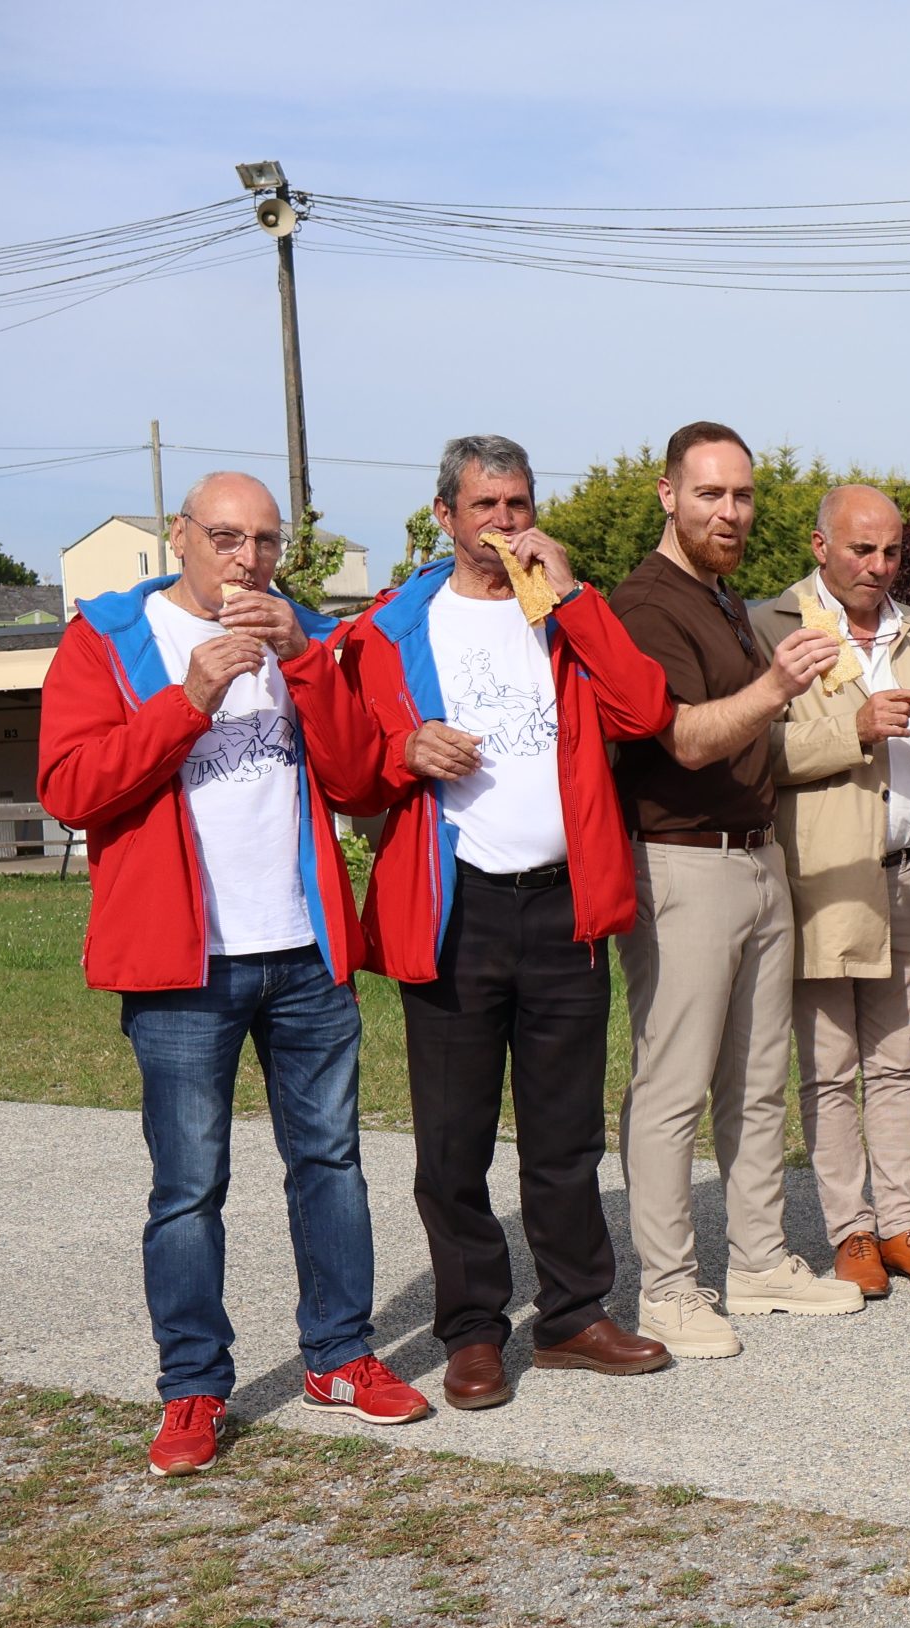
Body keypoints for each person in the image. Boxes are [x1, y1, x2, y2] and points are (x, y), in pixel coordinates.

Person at [38, 470, 428, 1473]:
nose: (248, 559)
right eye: (226, 537)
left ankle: (339, 1357)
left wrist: (307, 667)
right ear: (180, 537)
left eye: (265, 542)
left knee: (330, 1164)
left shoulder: (304, 637)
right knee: (187, 1187)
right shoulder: (109, 640)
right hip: (182, 967)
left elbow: (362, 778)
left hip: (303, 950)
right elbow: (73, 789)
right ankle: (194, 1388)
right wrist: (188, 701)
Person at [344, 436, 680, 1409]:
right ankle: (475, 1333)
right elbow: (351, 766)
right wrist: (406, 747)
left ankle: (574, 1315)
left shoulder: (565, 611)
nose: (504, 522)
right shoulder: (396, 626)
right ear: (445, 515)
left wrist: (573, 599)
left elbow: (643, 706)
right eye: (485, 505)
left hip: (565, 901)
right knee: (452, 1146)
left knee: (565, 1136)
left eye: (519, 504)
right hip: (458, 906)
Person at [610, 421, 866, 1358]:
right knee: (672, 1087)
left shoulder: (721, 597)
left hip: (757, 857)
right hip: (681, 861)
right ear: (668, 495)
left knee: (759, 1083)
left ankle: (757, 1260)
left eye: (744, 495)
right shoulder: (646, 604)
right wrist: (777, 683)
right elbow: (680, 737)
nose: (731, 511)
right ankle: (668, 1288)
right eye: (711, 493)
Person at [753, 485, 910, 1298]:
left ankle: (903, 1227)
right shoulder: (771, 627)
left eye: (890, 552)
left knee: (896, 1066)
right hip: (825, 878)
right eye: (860, 550)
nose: (877, 567)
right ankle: (849, 1233)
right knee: (827, 1066)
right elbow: (755, 754)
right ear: (820, 547)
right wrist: (849, 731)